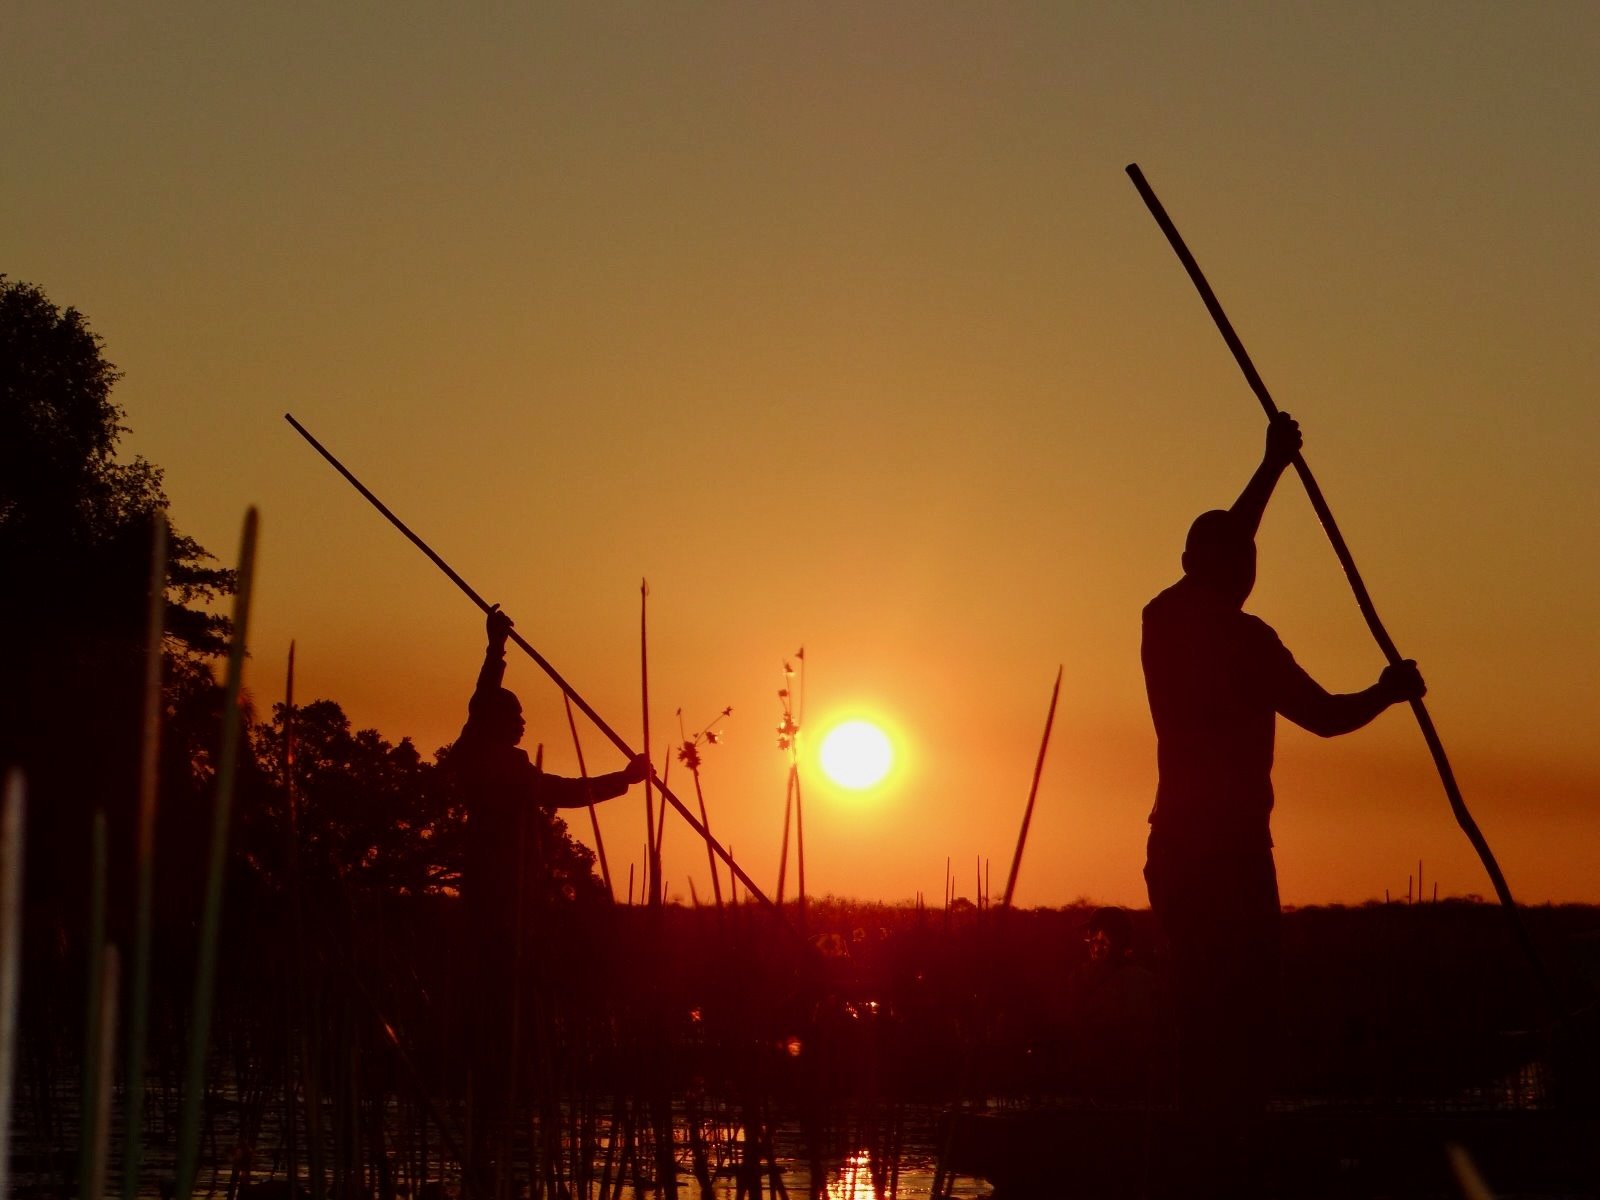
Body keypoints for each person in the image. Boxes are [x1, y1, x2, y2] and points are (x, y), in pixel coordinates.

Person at [1141, 412, 1424, 1190]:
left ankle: (1222, 1135)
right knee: (1221, 1003)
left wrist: (1382, 692)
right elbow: (1332, 717)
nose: (1246, 569)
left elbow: (1328, 715)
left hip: (1208, 855)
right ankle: (1212, 1143)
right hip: (1214, 858)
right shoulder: (1219, 635)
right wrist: (1387, 691)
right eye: (1239, 561)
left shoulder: (1172, 624)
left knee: (1226, 1004)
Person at [449, 604, 647, 1191]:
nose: (519, 723)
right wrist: (625, 781)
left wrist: (496, 647)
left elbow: (485, 696)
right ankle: (501, 1068)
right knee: (505, 990)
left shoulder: (484, 758)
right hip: (498, 898)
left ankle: (511, 1062)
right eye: (513, 717)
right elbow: (566, 792)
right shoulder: (490, 766)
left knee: (515, 994)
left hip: (512, 898)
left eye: (519, 717)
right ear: (496, 725)